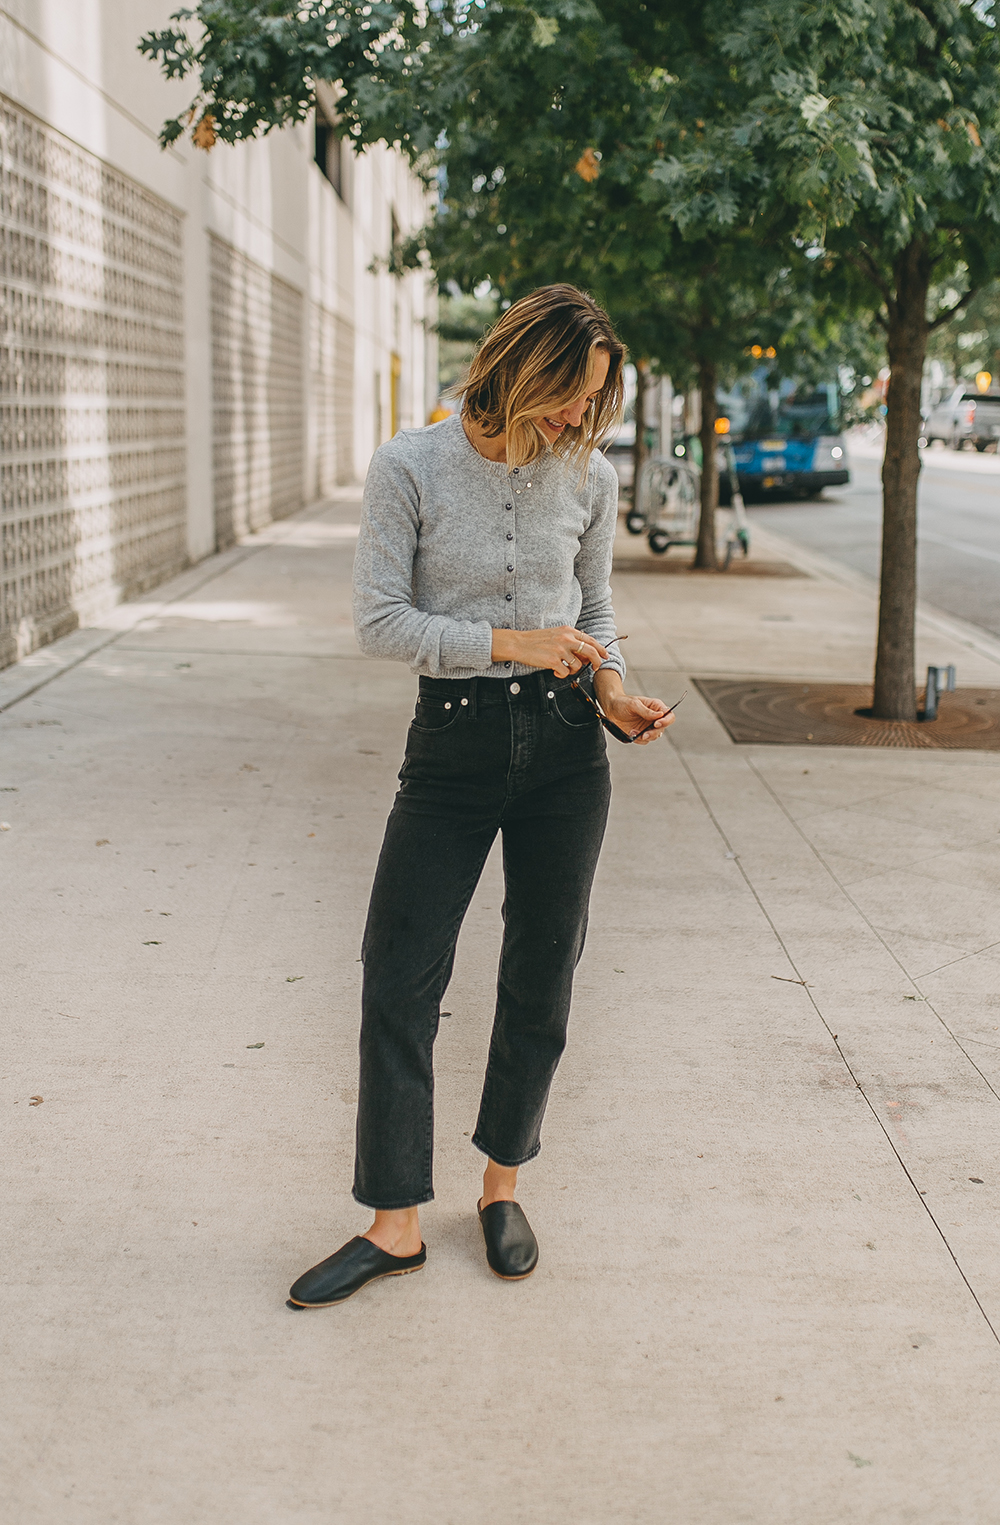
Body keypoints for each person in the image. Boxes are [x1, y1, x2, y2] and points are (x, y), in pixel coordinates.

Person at [288, 284, 674, 1308]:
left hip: (563, 750)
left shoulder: (582, 476)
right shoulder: (409, 465)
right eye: (565, 396)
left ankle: (502, 1188)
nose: (574, 421)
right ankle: (394, 1222)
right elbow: (381, 620)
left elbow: (592, 610)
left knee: (539, 975)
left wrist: (614, 690)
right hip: (451, 745)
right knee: (398, 976)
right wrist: (509, 642)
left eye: (591, 404)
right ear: (518, 366)